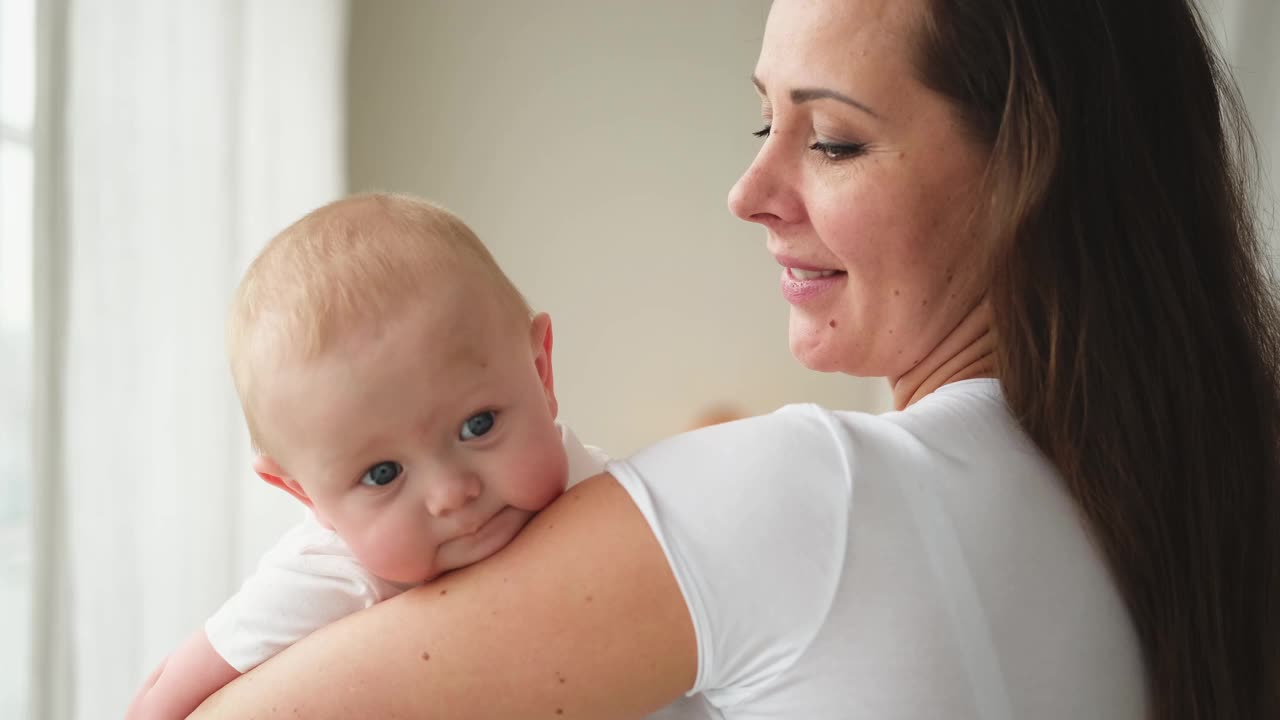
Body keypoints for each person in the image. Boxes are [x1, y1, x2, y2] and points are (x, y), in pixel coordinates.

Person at [192, 0, 1280, 718]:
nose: (749, 193)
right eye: (759, 122)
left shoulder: (816, 497)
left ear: (1028, 170)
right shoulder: (1169, 506)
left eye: (832, 139)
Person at [124, 194, 644, 718]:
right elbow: (164, 698)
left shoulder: (615, 497)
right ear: (306, 496)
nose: (450, 494)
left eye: (477, 425)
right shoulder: (330, 574)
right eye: (382, 474)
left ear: (541, 372)